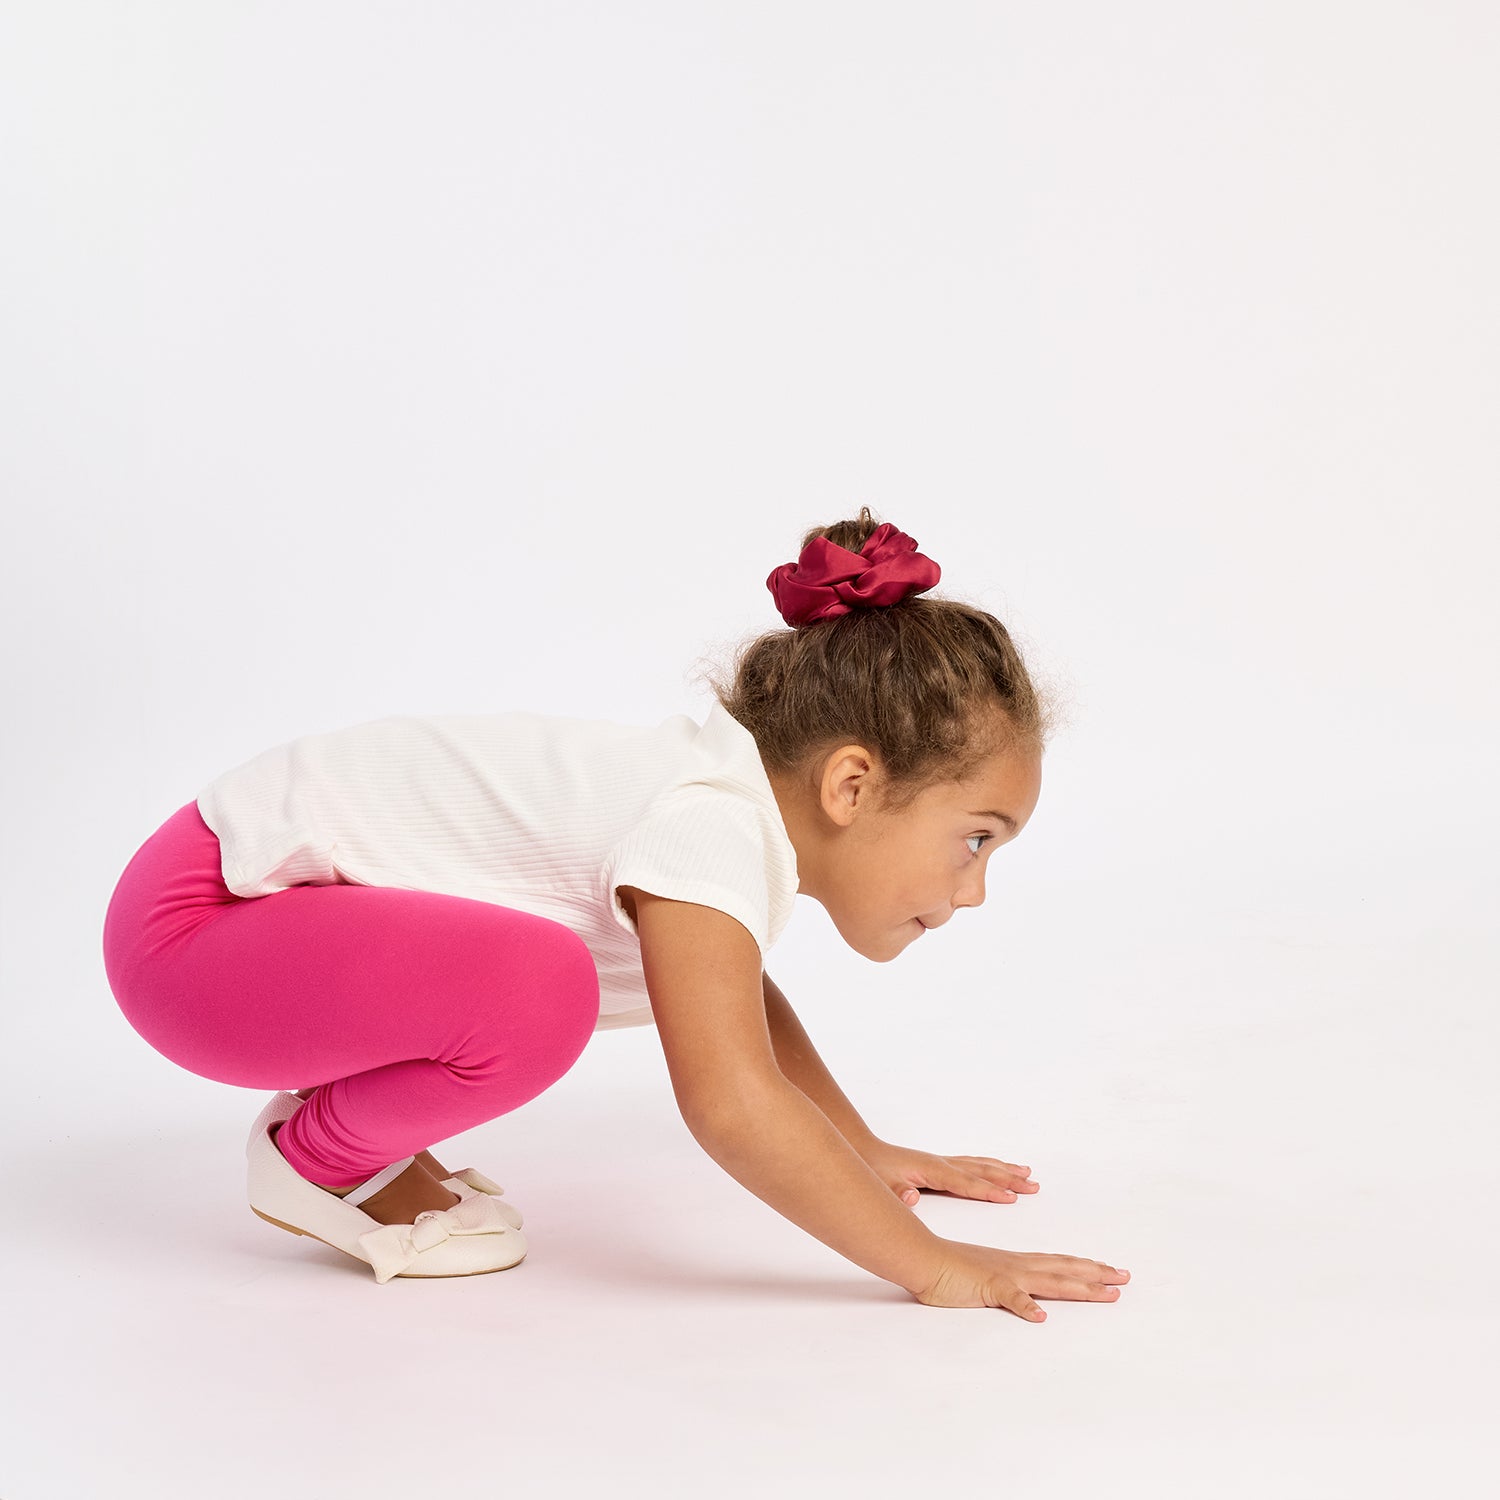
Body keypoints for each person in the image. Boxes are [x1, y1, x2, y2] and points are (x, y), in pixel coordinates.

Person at [102, 509, 1129, 1318]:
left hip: (239, 927)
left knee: (551, 980)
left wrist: (862, 1148)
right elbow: (732, 1103)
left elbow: (744, 1008)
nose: (973, 889)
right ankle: (317, 1161)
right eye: (975, 839)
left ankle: (335, 1140)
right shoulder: (705, 825)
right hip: (195, 934)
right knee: (541, 992)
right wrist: (932, 1265)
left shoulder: (719, 821)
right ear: (851, 785)